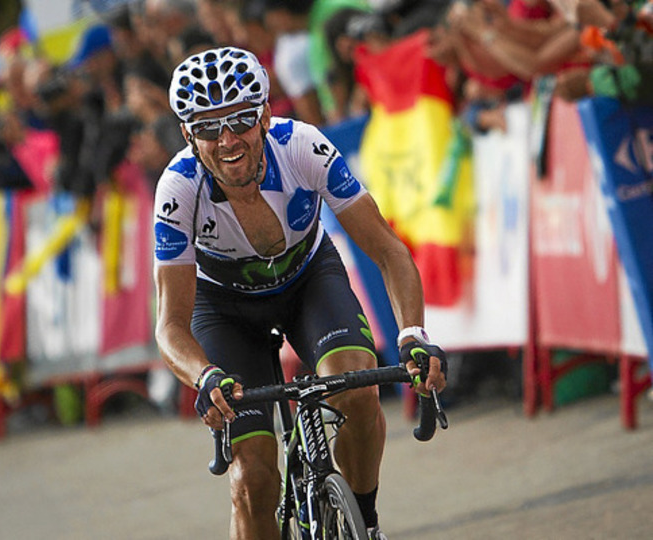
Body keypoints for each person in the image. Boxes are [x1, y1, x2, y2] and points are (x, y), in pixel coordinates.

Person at [153, 46, 447, 540]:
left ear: (266, 115)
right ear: (187, 134)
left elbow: (389, 251)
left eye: (241, 120)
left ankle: (365, 520)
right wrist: (204, 376)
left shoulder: (302, 147)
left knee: (357, 389)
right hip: (224, 310)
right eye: (207, 127)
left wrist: (413, 334)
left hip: (307, 280)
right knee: (253, 478)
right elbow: (170, 325)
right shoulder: (178, 190)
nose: (227, 140)